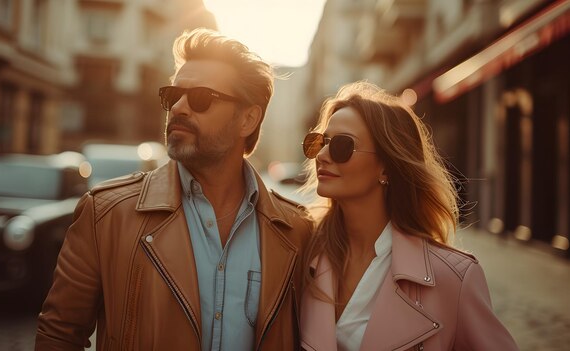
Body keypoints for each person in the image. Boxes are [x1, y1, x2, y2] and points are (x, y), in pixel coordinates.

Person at [36, 28, 311, 351]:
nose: (178, 107)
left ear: (248, 120)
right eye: (172, 95)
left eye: (200, 98)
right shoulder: (106, 213)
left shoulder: (296, 230)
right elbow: (59, 334)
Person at [299, 81, 518, 351]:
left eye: (342, 145)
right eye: (319, 142)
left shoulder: (453, 278)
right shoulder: (300, 253)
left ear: (387, 168)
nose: (321, 155)